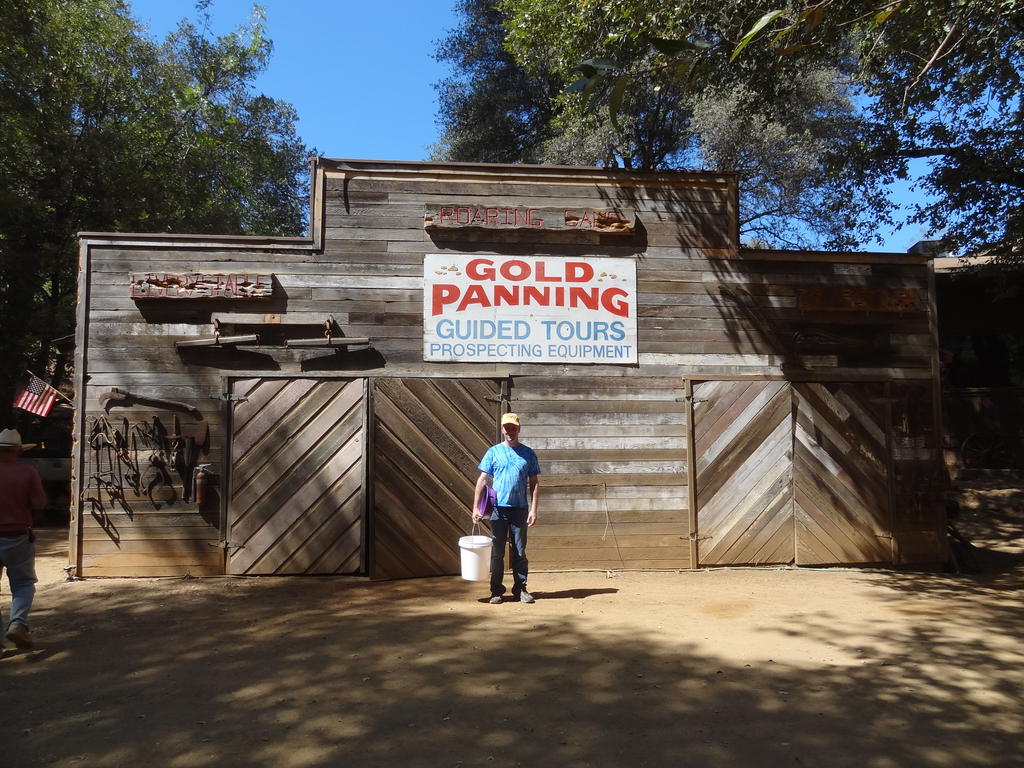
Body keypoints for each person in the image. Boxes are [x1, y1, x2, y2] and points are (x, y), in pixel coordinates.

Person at [472, 413, 540, 604]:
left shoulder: (528, 454)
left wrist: (534, 509)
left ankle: (520, 589)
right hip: (497, 510)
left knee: (520, 552)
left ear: (519, 429)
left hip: (520, 509)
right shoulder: (493, 452)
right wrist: (476, 508)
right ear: (502, 429)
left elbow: (534, 482)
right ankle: (496, 591)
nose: (510, 431)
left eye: (513, 428)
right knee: (497, 552)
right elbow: (482, 480)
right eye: (507, 428)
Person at [0, 428, 45, 650]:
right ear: (18, 451)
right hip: (18, 535)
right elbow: (39, 503)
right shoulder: (28, 472)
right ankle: (18, 622)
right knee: (23, 583)